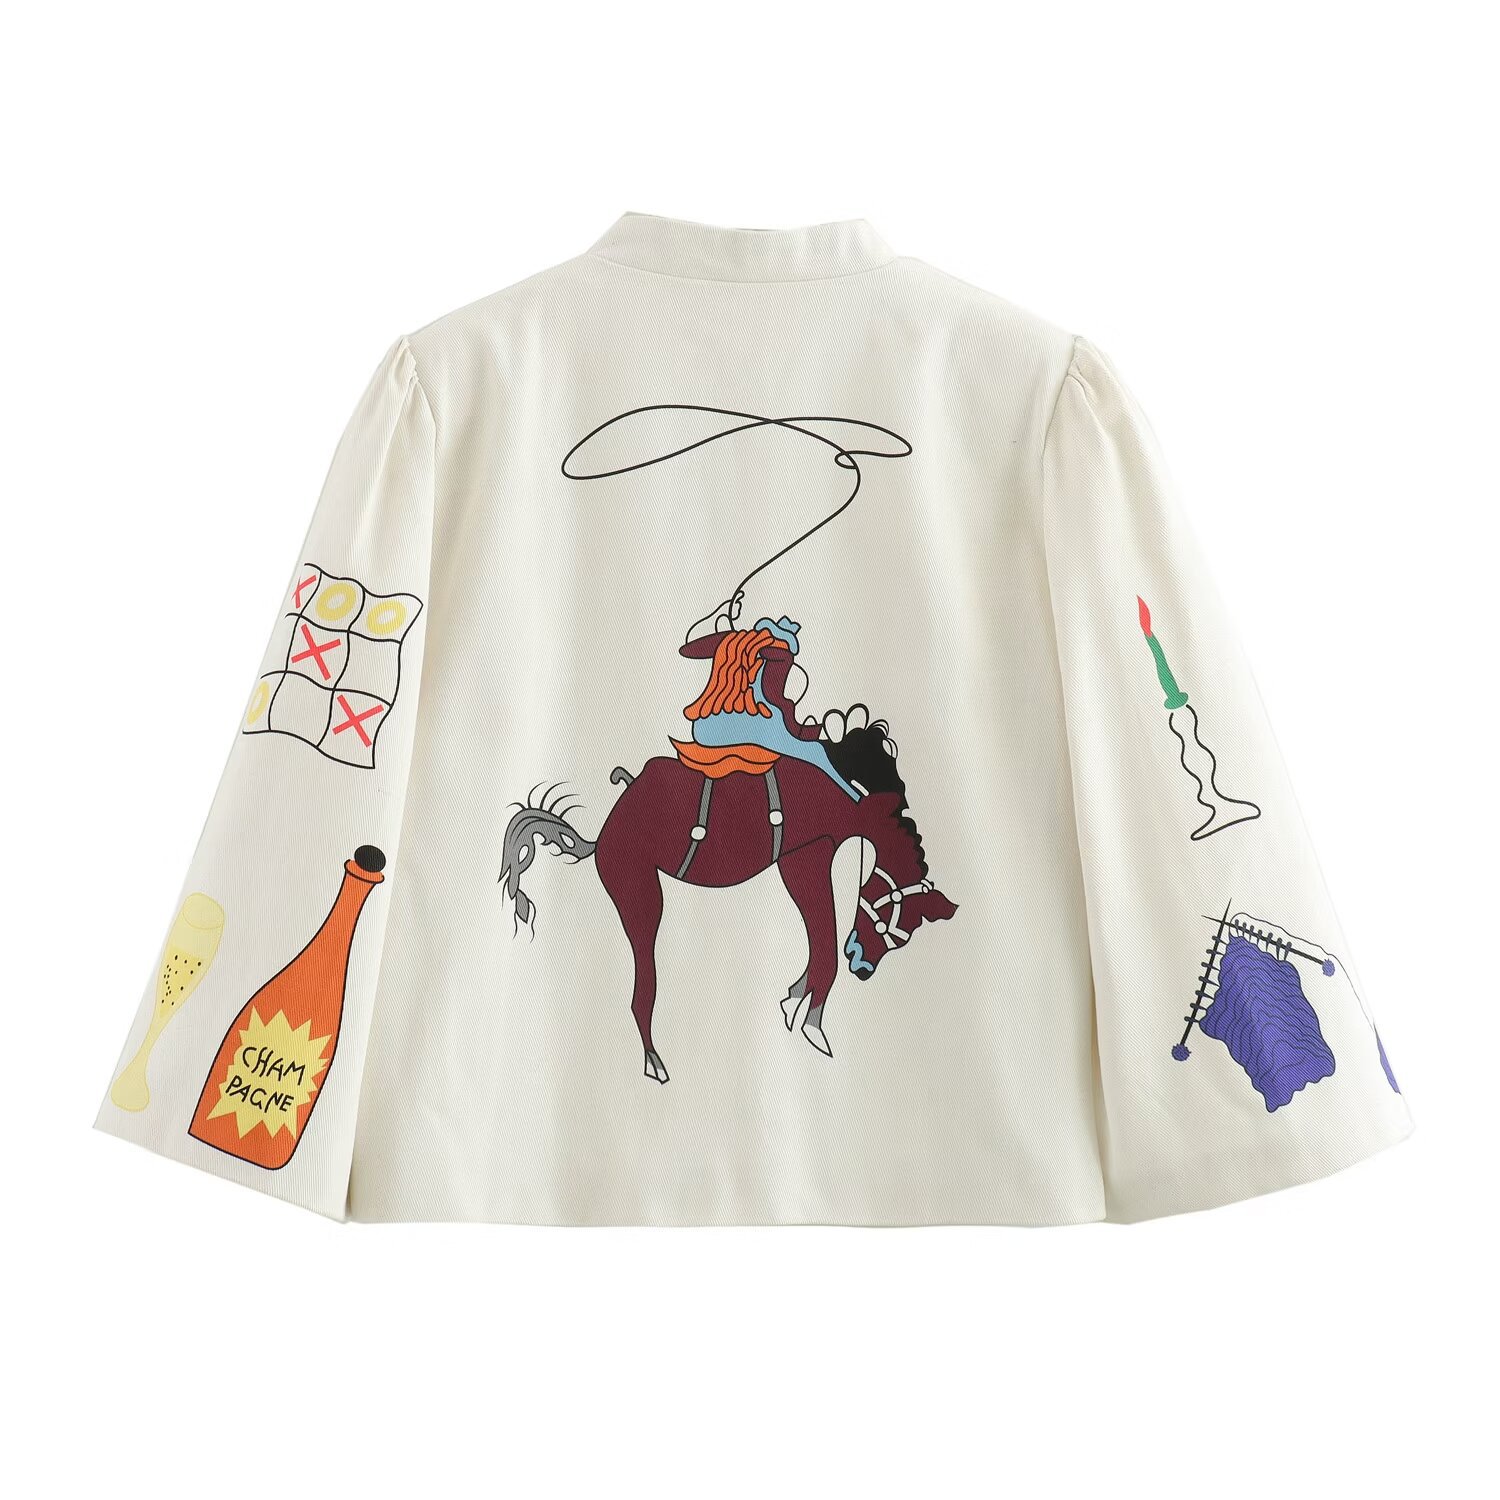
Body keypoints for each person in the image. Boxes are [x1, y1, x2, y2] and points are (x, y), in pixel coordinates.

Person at [677, 614, 861, 798]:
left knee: (813, 748)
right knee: (815, 752)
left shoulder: (736, 676)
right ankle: (853, 797)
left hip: (715, 726)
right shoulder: (764, 669)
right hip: (746, 724)